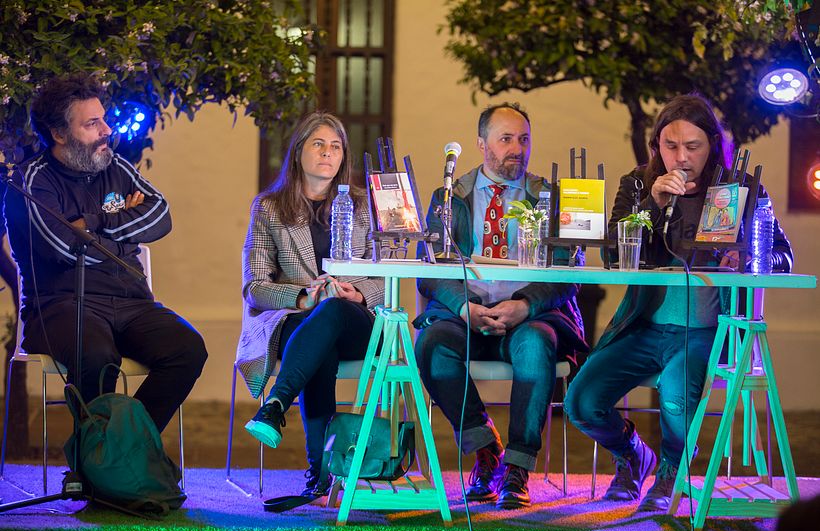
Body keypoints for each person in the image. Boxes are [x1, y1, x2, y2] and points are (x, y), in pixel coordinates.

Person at [564, 94, 793, 512]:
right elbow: (612, 254)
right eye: (671, 147)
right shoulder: (637, 183)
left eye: (693, 147)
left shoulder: (740, 187)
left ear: (713, 146)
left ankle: (670, 471)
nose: (681, 157)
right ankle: (633, 455)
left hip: (707, 331)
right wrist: (652, 206)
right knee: (581, 400)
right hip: (643, 326)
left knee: (675, 392)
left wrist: (749, 257)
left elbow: (783, 256)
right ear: (657, 147)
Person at [3, 73, 207, 434]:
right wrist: (124, 232)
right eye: (92, 123)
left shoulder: (116, 167)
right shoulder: (29, 181)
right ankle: (97, 464)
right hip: (61, 305)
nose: (107, 130)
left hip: (131, 302)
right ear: (60, 134)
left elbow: (161, 216)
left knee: (187, 349)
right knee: (97, 357)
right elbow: (64, 248)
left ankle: (125, 445)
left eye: (103, 118)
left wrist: (95, 222)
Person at [413, 103, 588, 509]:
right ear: (481, 144)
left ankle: (517, 468)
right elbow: (430, 271)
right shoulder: (448, 197)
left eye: (524, 139)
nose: (517, 149)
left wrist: (525, 305)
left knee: (535, 347)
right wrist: (463, 308)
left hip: (529, 319)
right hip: (466, 316)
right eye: (506, 139)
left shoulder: (548, 196)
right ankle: (485, 447)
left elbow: (570, 272)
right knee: (431, 346)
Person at [238, 111, 384, 496]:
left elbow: (389, 279)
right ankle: (321, 474)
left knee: (333, 312)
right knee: (321, 340)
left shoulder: (365, 205)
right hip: (297, 318)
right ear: (298, 151)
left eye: (335, 146)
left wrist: (359, 294)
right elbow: (254, 287)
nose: (327, 153)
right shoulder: (269, 208)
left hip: (355, 319)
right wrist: (303, 296)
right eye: (318, 144)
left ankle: (276, 405)